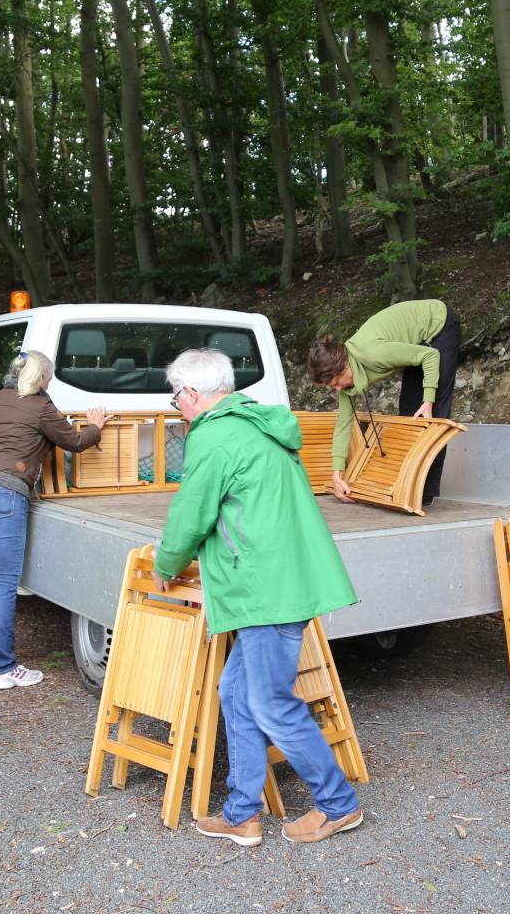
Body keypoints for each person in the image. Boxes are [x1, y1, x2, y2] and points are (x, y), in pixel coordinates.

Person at [154, 348, 362, 847]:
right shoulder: (257, 424)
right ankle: (243, 812)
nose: (175, 406)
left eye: (174, 396)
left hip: (263, 586)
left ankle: (338, 804)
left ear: (190, 394)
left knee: (270, 703)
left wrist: (166, 563)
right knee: (235, 693)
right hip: (277, 579)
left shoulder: (216, 436)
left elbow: (191, 513)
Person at [0, 350, 106, 690]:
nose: (49, 383)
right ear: (41, 379)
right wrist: (95, 425)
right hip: (2, 494)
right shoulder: (40, 406)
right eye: (48, 378)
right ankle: (3, 670)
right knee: (4, 583)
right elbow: (75, 441)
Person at [307, 299, 461, 506]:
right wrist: (337, 474)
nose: (337, 389)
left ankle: (424, 492)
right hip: (417, 340)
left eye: (335, 383)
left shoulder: (373, 354)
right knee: (409, 412)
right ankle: (410, 485)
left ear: (344, 366)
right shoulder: (346, 379)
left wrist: (428, 399)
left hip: (438, 326)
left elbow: (430, 355)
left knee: (433, 415)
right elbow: (343, 424)